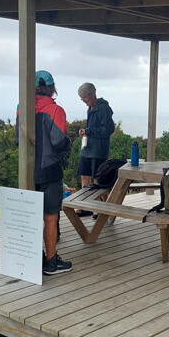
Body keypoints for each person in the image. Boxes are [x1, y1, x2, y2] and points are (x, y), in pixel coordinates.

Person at [33, 70, 73, 275]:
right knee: (50, 217)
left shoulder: (22, 108)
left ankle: (32, 259)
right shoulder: (55, 110)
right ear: (51, 87)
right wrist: (69, 140)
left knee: (30, 215)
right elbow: (58, 141)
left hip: (28, 170)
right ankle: (50, 262)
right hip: (49, 170)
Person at [75, 82, 115, 217]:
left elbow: (108, 129)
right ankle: (86, 206)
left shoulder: (103, 108)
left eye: (84, 98)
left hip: (98, 150)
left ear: (92, 94)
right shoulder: (91, 108)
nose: (84, 101)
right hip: (87, 149)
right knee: (84, 175)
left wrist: (88, 131)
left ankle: (103, 209)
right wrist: (86, 131)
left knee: (99, 179)